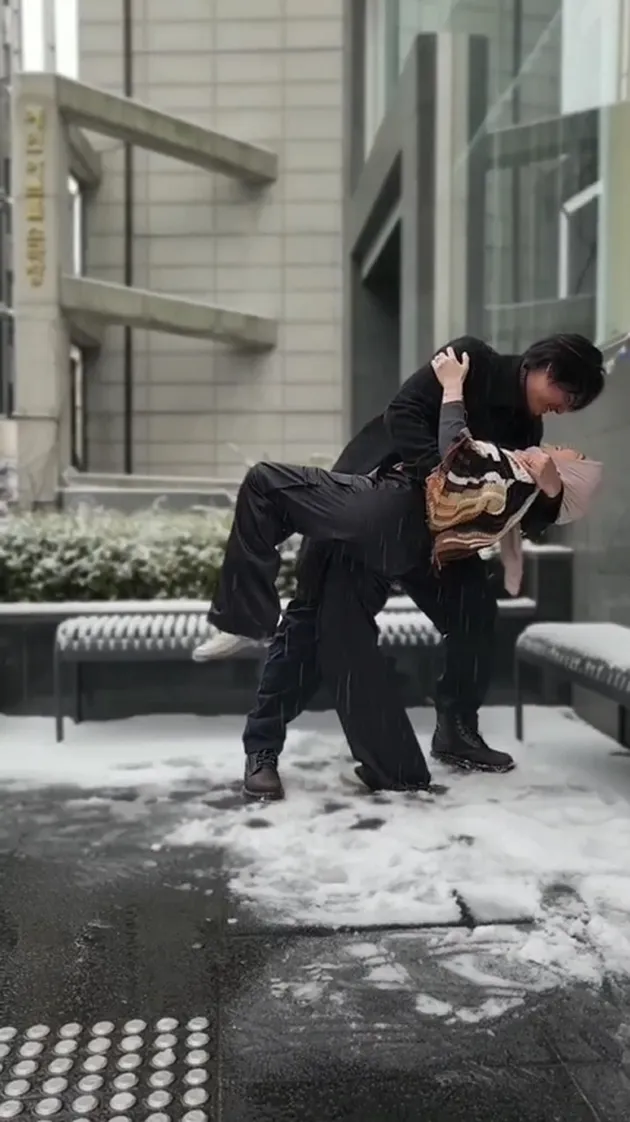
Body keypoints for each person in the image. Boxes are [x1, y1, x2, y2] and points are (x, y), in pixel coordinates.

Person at [196, 334, 605, 799]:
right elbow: (403, 414)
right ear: (547, 368)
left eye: (575, 405)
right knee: (312, 630)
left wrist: (540, 490)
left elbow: (524, 511)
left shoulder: (529, 433)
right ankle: (262, 749)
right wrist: (444, 479)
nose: (565, 409)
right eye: (567, 396)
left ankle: (456, 732)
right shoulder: (469, 362)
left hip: (434, 540)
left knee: (473, 611)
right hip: (374, 500)